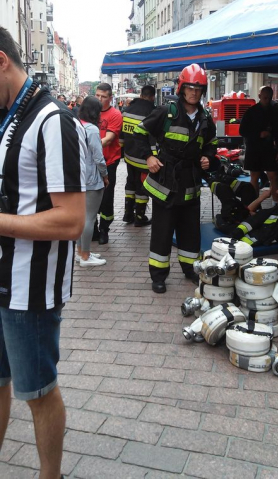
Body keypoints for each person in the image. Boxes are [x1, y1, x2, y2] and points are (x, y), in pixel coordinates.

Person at [0, 27, 86, 478]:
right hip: (1, 280)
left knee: (37, 392)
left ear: (1, 61)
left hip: (29, 290)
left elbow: (71, 220)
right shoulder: (5, 116)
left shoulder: (52, 120)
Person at [133, 63, 217, 294]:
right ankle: (158, 276)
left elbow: (212, 145)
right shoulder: (165, 112)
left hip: (190, 183)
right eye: (190, 88)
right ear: (181, 88)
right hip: (165, 184)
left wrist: (209, 158)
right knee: (162, 232)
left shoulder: (205, 118)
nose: (193, 93)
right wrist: (149, 157)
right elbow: (138, 134)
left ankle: (190, 269)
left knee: (191, 232)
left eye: (198, 89)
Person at [76, 96, 109, 266]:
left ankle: (81, 251)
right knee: (89, 217)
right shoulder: (92, 130)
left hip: (77, 176)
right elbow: (99, 157)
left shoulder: (76, 124)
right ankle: (86, 257)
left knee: (81, 217)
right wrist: (105, 174)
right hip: (92, 178)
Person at [239, 85, 278, 204]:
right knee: (254, 177)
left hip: (270, 149)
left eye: (269, 98)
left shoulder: (276, 110)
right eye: (265, 98)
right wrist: (259, 134)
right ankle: (255, 205)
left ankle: (276, 205)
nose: (267, 101)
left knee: (273, 177)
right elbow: (242, 131)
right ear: (259, 96)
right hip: (254, 148)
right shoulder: (251, 111)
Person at [120, 85, 156, 226]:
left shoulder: (127, 110)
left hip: (129, 156)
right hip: (143, 158)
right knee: (142, 186)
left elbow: (121, 134)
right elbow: (153, 138)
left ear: (141, 95)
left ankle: (128, 214)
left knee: (130, 182)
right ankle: (140, 217)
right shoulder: (152, 112)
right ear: (152, 97)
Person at [95, 83, 123, 244]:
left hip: (108, 161)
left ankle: (104, 229)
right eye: (97, 95)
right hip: (90, 162)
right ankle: (92, 228)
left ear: (110, 98)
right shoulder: (91, 111)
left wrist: (89, 146)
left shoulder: (115, 114)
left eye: (103, 96)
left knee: (106, 196)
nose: (100, 99)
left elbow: (110, 139)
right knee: (89, 196)